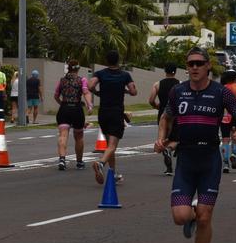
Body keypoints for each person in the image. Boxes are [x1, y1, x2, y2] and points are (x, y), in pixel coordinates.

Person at [155, 46, 236, 243]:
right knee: (180, 218)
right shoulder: (178, 92)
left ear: (208, 66)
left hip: (209, 158)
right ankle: (193, 213)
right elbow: (166, 117)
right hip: (186, 158)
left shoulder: (221, 93)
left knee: (206, 217)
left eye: (199, 63)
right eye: (191, 64)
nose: (195, 67)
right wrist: (160, 138)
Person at [89, 50, 137, 186]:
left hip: (103, 112)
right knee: (112, 145)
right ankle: (100, 163)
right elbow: (134, 91)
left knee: (110, 145)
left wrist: (98, 93)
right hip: (116, 112)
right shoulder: (124, 75)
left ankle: (113, 173)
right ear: (118, 61)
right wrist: (124, 90)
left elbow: (90, 85)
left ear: (107, 61)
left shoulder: (100, 74)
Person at [54, 60, 93, 169]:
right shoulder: (82, 80)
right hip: (76, 109)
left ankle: (62, 160)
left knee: (63, 135)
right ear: (78, 69)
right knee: (79, 137)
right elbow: (86, 92)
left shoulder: (62, 81)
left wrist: (62, 104)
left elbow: (56, 96)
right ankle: (79, 162)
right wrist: (89, 105)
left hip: (64, 109)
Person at [148, 63, 180, 175]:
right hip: (176, 114)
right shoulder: (180, 84)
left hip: (162, 113)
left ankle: (169, 168)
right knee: (176, 138)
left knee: (163, 138)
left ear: (165, 71)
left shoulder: (157, 84)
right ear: (175, 71)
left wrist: (158, 106)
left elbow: (151, 100)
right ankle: (169, 150)